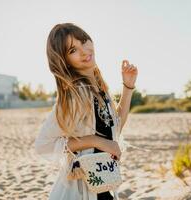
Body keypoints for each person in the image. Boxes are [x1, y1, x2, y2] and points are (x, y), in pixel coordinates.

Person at [35, 23, 138, 200]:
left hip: (103, 184)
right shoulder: (76, 93)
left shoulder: (99, 88)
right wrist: (95, 141)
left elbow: (115, 128)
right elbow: (43, 145)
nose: (84, 51)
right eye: (73, 50)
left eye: (84, 41)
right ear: (64, 60)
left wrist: (128, 87)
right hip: (79, 191)